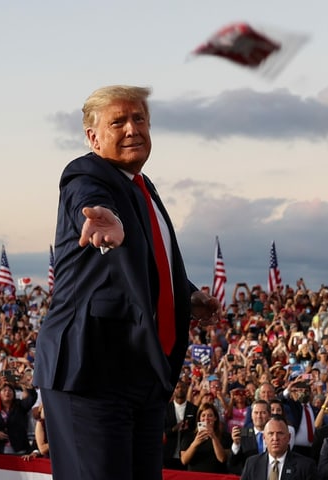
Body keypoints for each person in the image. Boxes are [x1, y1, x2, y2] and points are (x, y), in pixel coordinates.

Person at [33, 85, 219, 480]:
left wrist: (187, 295)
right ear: (93, 137)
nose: (132, 128)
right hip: (90, 371)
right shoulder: (86, 174)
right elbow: (92, 201)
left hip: (142, 375)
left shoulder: (143, 186)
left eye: (140, 119)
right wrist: (106, 219)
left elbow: (147, 260)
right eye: (118, 121)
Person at [241, 415, 317, 480]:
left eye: (280, 433)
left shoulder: (306, 466)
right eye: (271, 433)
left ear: (289, 437)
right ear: (264, 437)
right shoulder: (252, 463)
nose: (275, 438)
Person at [0, 382, 37, 454]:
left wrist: (30, 388)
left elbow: (31, 399)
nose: (7, 392)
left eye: (10, 390)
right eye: (4, 390)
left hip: (19, 448)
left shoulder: (20, 406)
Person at [179, 402, 230, 473]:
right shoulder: (188, 437)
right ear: (199, 418)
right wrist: (195, 443)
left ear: (215, 418)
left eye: (210, 415)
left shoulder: (225, 437)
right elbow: (184, 461)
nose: (206, 418)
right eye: (203, 415)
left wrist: (213, 437)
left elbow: (222, 459)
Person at [228, 399, 271, 475]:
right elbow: (232, 463)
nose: (259, 416)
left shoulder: (274, 433)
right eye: (256, 413)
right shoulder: (243, 434)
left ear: (269, 415)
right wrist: (236, 444)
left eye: (263, 413)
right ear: (251, 415)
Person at [163, 380, 198, 470]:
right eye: (177, 387)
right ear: (173, 390)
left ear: (186, 389)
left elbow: (196, 430)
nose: (180, 389)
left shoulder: (194, 409)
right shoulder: (165, 409)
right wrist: (174, 429)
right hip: (168, 454)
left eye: (183, 387)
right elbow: (161, 431)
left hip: (187, 454)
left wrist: (188, 430)